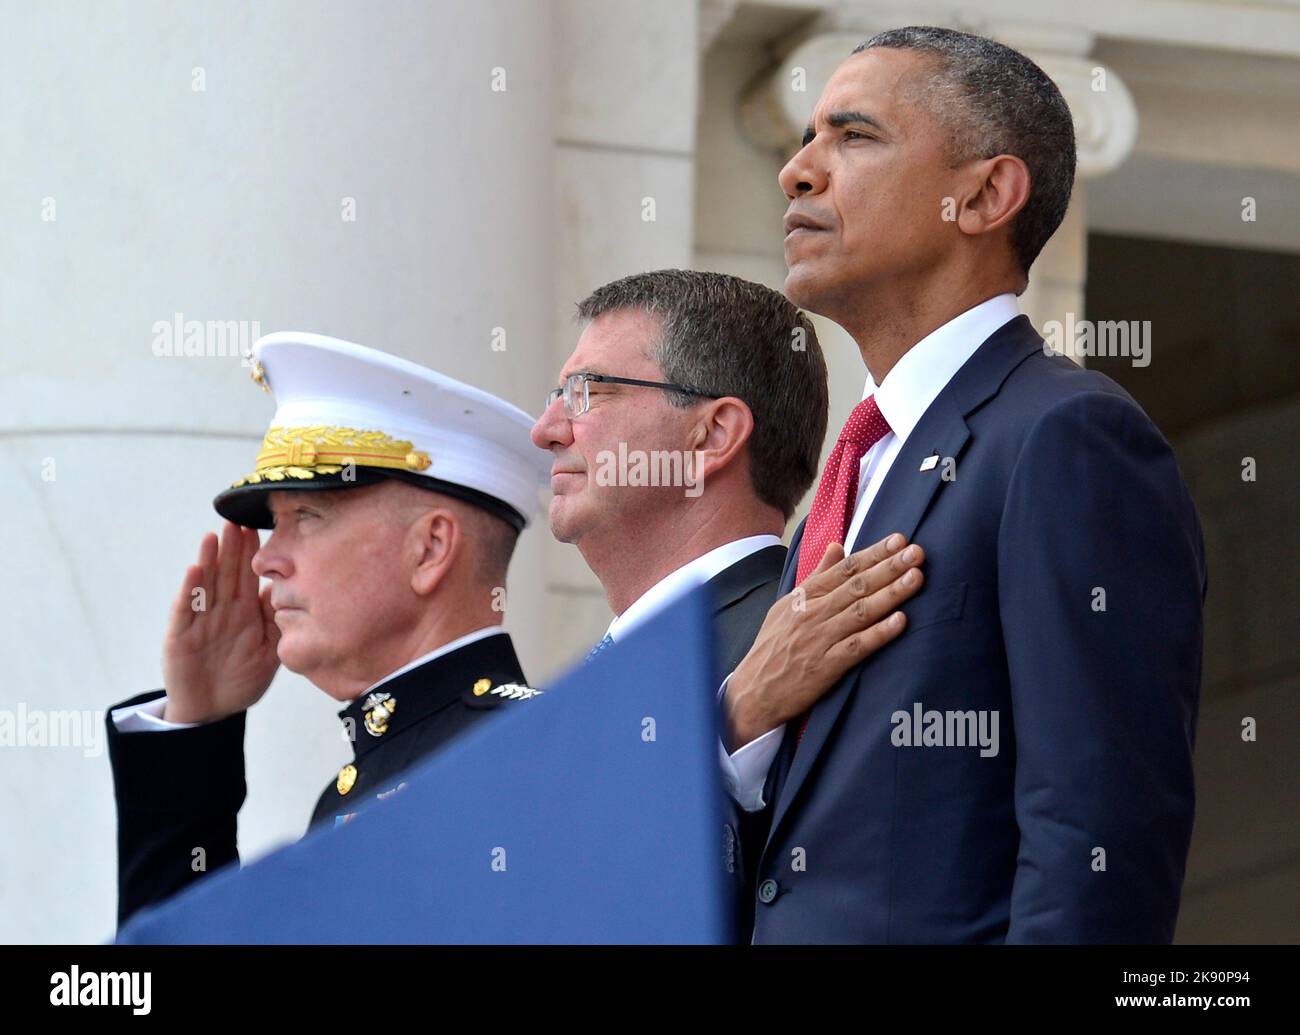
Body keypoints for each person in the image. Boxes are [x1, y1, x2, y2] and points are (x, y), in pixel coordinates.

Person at [721, 26, 1207, 942]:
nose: (799, 171)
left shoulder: (1066, 438)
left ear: (985, 194)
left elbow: (1099, 845)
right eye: (805, 138)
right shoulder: (859, 463)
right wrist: (738, 720)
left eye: (854, 136)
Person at [531, 269, 927, 940]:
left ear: (712, 435)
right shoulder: (615, 672)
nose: (547, 429)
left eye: (586, 392)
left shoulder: (815, 641)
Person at [106, 332, 549, 927]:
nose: (266, 560)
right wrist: (195, 731)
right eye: (274, 525)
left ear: (430, 549)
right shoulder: (373, 780)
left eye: (307, 517)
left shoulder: (531, 760)